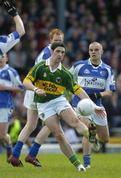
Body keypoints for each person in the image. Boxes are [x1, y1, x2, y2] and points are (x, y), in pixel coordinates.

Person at [10, 42, 105, 171]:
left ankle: (91, 137)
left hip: (59, 100)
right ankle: (78, 165)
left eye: (62, 52)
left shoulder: (65, 73)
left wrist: (94, 106)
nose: (60, 54)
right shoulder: (40, 67)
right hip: (44, 105)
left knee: (75, 121)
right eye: (57, 52)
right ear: (52, 52)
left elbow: (78, 91)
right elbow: (26, 82)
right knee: (59, 135)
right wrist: (35, 89)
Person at [8, 28, 64, 165]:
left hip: (33, 91)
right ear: (50, 41)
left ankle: (15, 155)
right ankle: (32, 154)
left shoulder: (50, 52)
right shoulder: (48, 56)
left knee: (31, 125)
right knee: (53, 124)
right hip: (40, 92)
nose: (58, 42)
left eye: (60, 40)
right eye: (56, 40)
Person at [70, 41, 116, 168]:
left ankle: (95, 139)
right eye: (91, 50)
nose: (93, 52)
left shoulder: (107, 69)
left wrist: (98, 95)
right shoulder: (79, 66)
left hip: (97, 106)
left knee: (105, 139)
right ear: (88, 51)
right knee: (88, 130)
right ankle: (87, 164)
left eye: (96, 50)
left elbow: (110, 91)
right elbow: (67, 80)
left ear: (101, 52)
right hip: (80, 104)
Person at [0, 53, 24, 162]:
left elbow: (21, 87)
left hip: (4, 104)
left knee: (2, 134)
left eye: (2, 56)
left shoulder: (11, 72)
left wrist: (5, 87)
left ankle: (9, 147)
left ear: (6, 58)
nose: (0, 58)